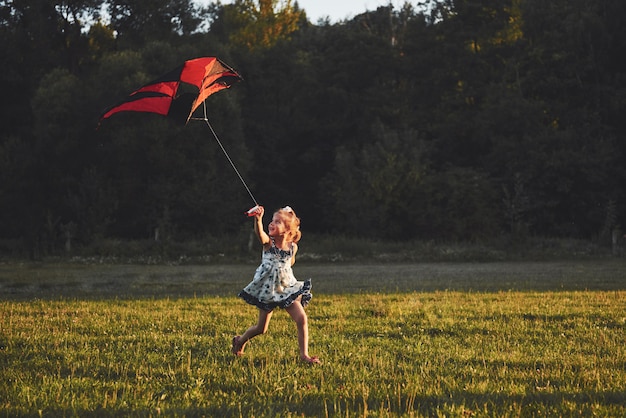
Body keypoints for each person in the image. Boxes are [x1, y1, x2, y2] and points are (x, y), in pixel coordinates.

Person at [232, 205, 320, 364]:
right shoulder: (268, 244)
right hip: (268, 290)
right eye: (272, 220)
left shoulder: (293, 248)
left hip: (286, 289)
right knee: (261, 329)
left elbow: (290, 263)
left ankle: (304, 355)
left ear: (287, 231)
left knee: (302, 319)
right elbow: (261, 235)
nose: (272, 223)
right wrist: (258, 220)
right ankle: (240, 340)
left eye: (278, 222)